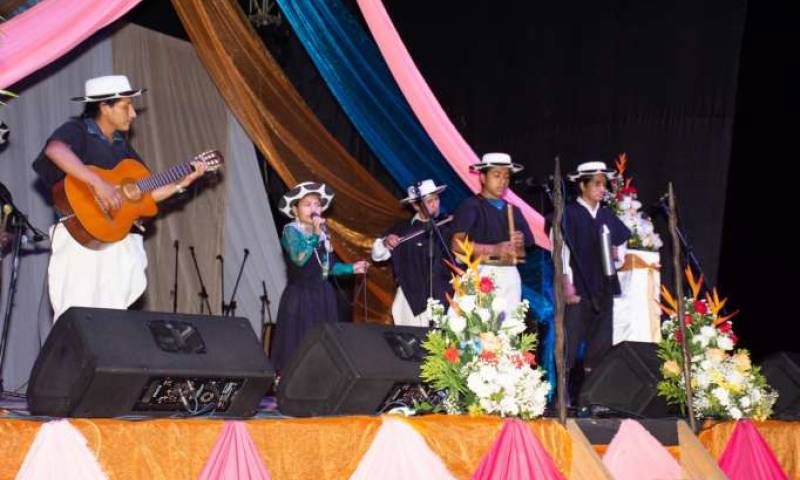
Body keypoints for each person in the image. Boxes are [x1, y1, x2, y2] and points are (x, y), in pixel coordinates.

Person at [32, 75, 207, 320]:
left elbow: (142, 196)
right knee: (77, 314)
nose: (133, 114)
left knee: (111, 318)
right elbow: (55, 150)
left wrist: (180, 184)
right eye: (126, 106)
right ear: (104, 106)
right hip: (80, 237)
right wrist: (98, 183)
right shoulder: (78, 129)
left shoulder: (123, 148)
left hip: (113, 239)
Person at [271, 181, 369, 372]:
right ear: (295, 210)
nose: (313, 208)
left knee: (322, 347)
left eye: (316, 204)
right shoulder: (291, 231)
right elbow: (300, 258)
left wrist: (351, 268)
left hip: (323, 296)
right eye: (307, 205)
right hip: (301, 296)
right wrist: (315, 234)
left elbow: (327, 267)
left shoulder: (323, 234)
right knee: (299, 346)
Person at [560, 161, 631, 388]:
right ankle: (562, 394)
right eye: (597, 184)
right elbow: (561, 250)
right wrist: (565, 282)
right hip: (578, 288)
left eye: (604, 184)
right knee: (569, 342)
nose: (603, 189)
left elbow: (622, 244)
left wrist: (616, 253)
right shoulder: (568, 214)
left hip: (603, 287)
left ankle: (592, 396)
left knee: (600, 345)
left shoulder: (607, 215)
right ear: (582, 185)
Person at [450, 153, 534, 316]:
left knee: (506, 332)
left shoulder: (513, 210)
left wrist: (520, 243)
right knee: (475, 332)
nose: (502, 182)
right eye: (496, 175)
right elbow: (456, 245)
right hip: (480, 272)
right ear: (482, 177)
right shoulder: (471, 206)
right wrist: (493, 249)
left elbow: (524, 253)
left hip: (510, 275)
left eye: (506, 177)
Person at [371, 179, 452, 326]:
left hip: (443, 296)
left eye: (436, 199)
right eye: (429, 201)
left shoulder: (447, 228)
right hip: (411, 298)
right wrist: (385, 242)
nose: (435, 204)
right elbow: (377, 256)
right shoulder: (403, 230)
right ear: (415, 205)